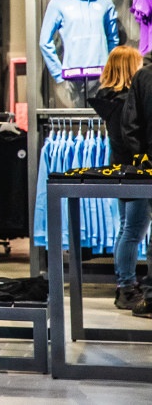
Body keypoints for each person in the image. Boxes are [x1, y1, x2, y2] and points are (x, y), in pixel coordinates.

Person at [89, 45, 144, 310]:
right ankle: (127, 287)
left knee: (126, 229)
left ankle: (125, 284)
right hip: (136, 170)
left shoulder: (109, 100)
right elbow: (133, 138)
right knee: (133, 230)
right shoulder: (126, 103)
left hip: (120, 169)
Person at [120, 47, 152, 318]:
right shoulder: (143, 77)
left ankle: (151, 296)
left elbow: (130, 125)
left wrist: (142, 157)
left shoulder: (142, 77)